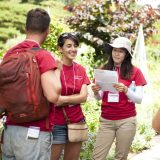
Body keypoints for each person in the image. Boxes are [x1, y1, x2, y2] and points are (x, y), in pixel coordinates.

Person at [1, 8, 61, 160]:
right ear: (47, 31)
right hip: (34, 134)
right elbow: (53, 95)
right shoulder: (43, 56)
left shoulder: (10, 54)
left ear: (25, 28)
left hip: (10, 132)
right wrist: (58, 70)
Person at [91, 37, 147, 160]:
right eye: (114, 50)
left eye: (121, 51)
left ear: (126, 54)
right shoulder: (103, 69)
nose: (116, 53)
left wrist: (126, 90)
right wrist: (95, 92)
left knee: (121, 157)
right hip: (106, 121)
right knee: (97, 157)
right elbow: (99, 97)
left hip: (126, 120)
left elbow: (139, 99)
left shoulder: (135, 71)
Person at [51, 32, 90, 160]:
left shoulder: (80, 69)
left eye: (75, 46)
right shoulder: (53, 69)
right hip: (56, 122)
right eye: (68, 46)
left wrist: (63, 100)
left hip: (77, 121)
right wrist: (73, 99)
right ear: (60, 49)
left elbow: (83, 97)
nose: (73, 49)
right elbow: (53, 97)